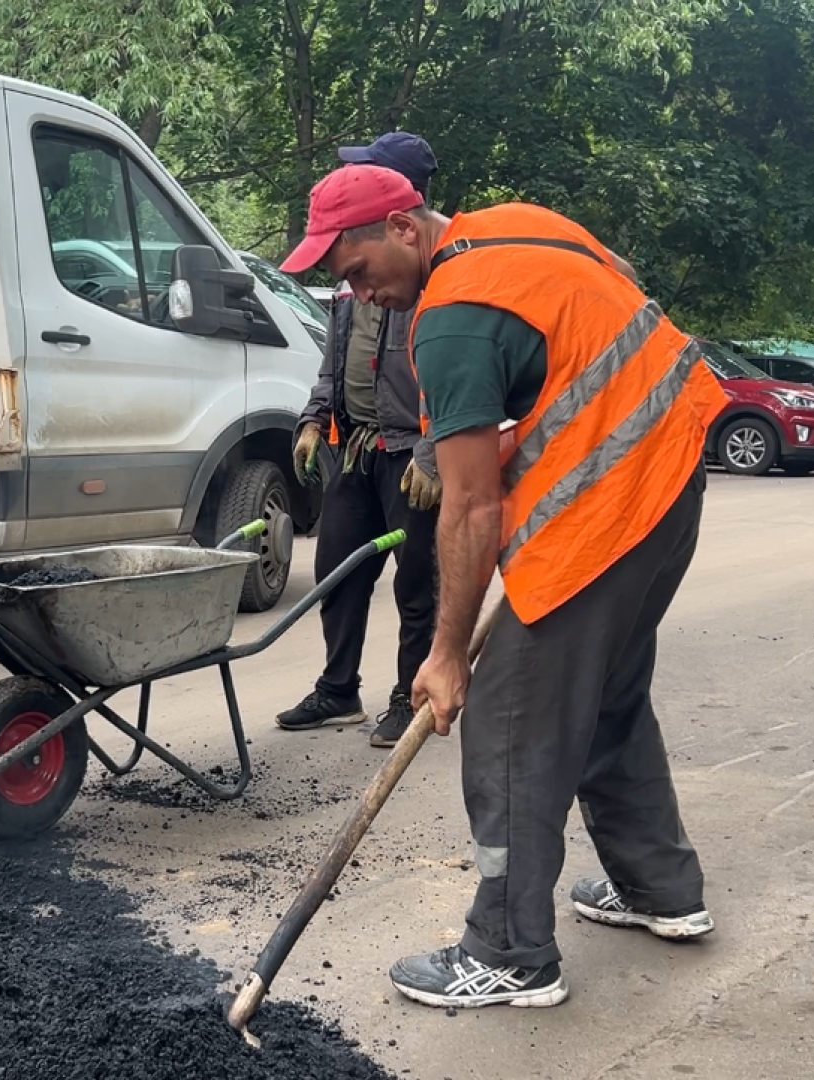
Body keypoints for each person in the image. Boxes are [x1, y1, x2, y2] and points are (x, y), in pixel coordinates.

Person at [280, 165, 728, 1010]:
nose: (360, 295)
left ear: (405, 228)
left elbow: (471, 507)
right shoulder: (517, 224)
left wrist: (447, 657)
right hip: (674, 474)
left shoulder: (450, 320)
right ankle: (661, 889)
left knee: (509, 720)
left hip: (609, 511)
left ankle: (511, 952)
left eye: (357, 270)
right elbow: (618, 286)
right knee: (604, 699)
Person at [277, 132, 444, 750]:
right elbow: (333, 361)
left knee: (415, 585)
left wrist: (431, 454)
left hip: (411, 457)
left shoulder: (429, 281)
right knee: (337, 572)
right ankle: (338, 689)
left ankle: (412, 696)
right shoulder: (354, 284)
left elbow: (453, 382)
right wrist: (314, 418)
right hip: (357, 448)